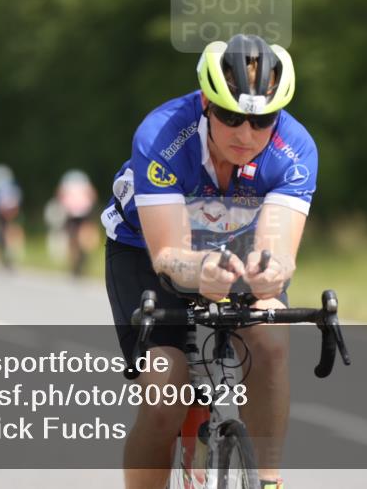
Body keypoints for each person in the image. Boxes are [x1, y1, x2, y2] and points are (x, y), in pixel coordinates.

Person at [102, 34, 316, 489]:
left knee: (271, 341)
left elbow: (277, 250)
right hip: (144, 249)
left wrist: (271, 273)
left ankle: (268, 481)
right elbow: (167, 254)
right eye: (231, 117)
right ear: (206, 103)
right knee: (165, 390)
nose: (245, 134)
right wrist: (200, 271)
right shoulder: (163, 135)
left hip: (234, 247)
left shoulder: (295, 150)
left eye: (262, 121)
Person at [56, 169, 98, 277]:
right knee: (75, 239)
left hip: (77, 213)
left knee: (76, 238)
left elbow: (60, 195)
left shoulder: (68, 181)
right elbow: (92, 194)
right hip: (77, 212)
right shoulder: (82, 181)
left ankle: (79, 260)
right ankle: (77, 262)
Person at [0, 164, 25, 271]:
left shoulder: (9, 189)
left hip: (9, 214)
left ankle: (7, 258)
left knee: (8, 235)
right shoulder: (6, 188)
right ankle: (3, 259)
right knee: (0, 236)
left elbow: (15, 204)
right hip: (1, 214)